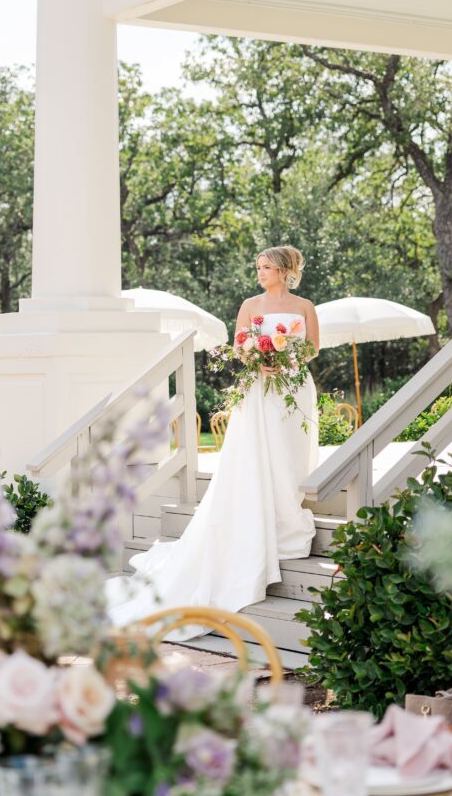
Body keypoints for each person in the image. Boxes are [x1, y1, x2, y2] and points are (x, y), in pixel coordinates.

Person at [106, 245, 320, 634]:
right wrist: (258, 359)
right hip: (259, 388)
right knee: (259, 455)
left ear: (285, 270)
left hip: (293, 388)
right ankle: (262, 521)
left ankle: (288, 522)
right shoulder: (249, 305)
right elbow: (241, 347)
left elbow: (313, 349)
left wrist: (288, 360)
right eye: (257, 266)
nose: (260, 272)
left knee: (290, 455)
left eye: (266, 267)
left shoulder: (305, 305)